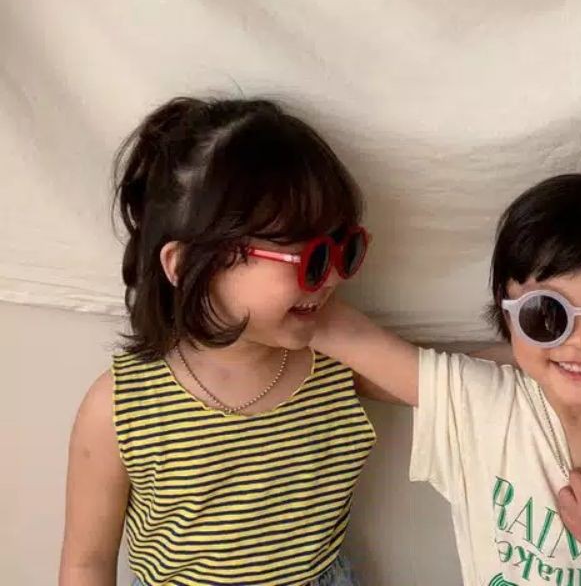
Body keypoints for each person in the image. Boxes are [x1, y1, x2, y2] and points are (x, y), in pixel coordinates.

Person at [311, 173, 581, 585]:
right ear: (507, 312)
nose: (580, 343)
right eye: (546, 314)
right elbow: (352, 346)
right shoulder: (484, 402)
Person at [59, 96, 375, 586]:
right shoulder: (120, 407)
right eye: (309, 259)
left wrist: (508, 360)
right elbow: (87, 561)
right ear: (187, 265)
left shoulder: (339, 363)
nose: (332, 277)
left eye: (343, 249)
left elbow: (447, 387)